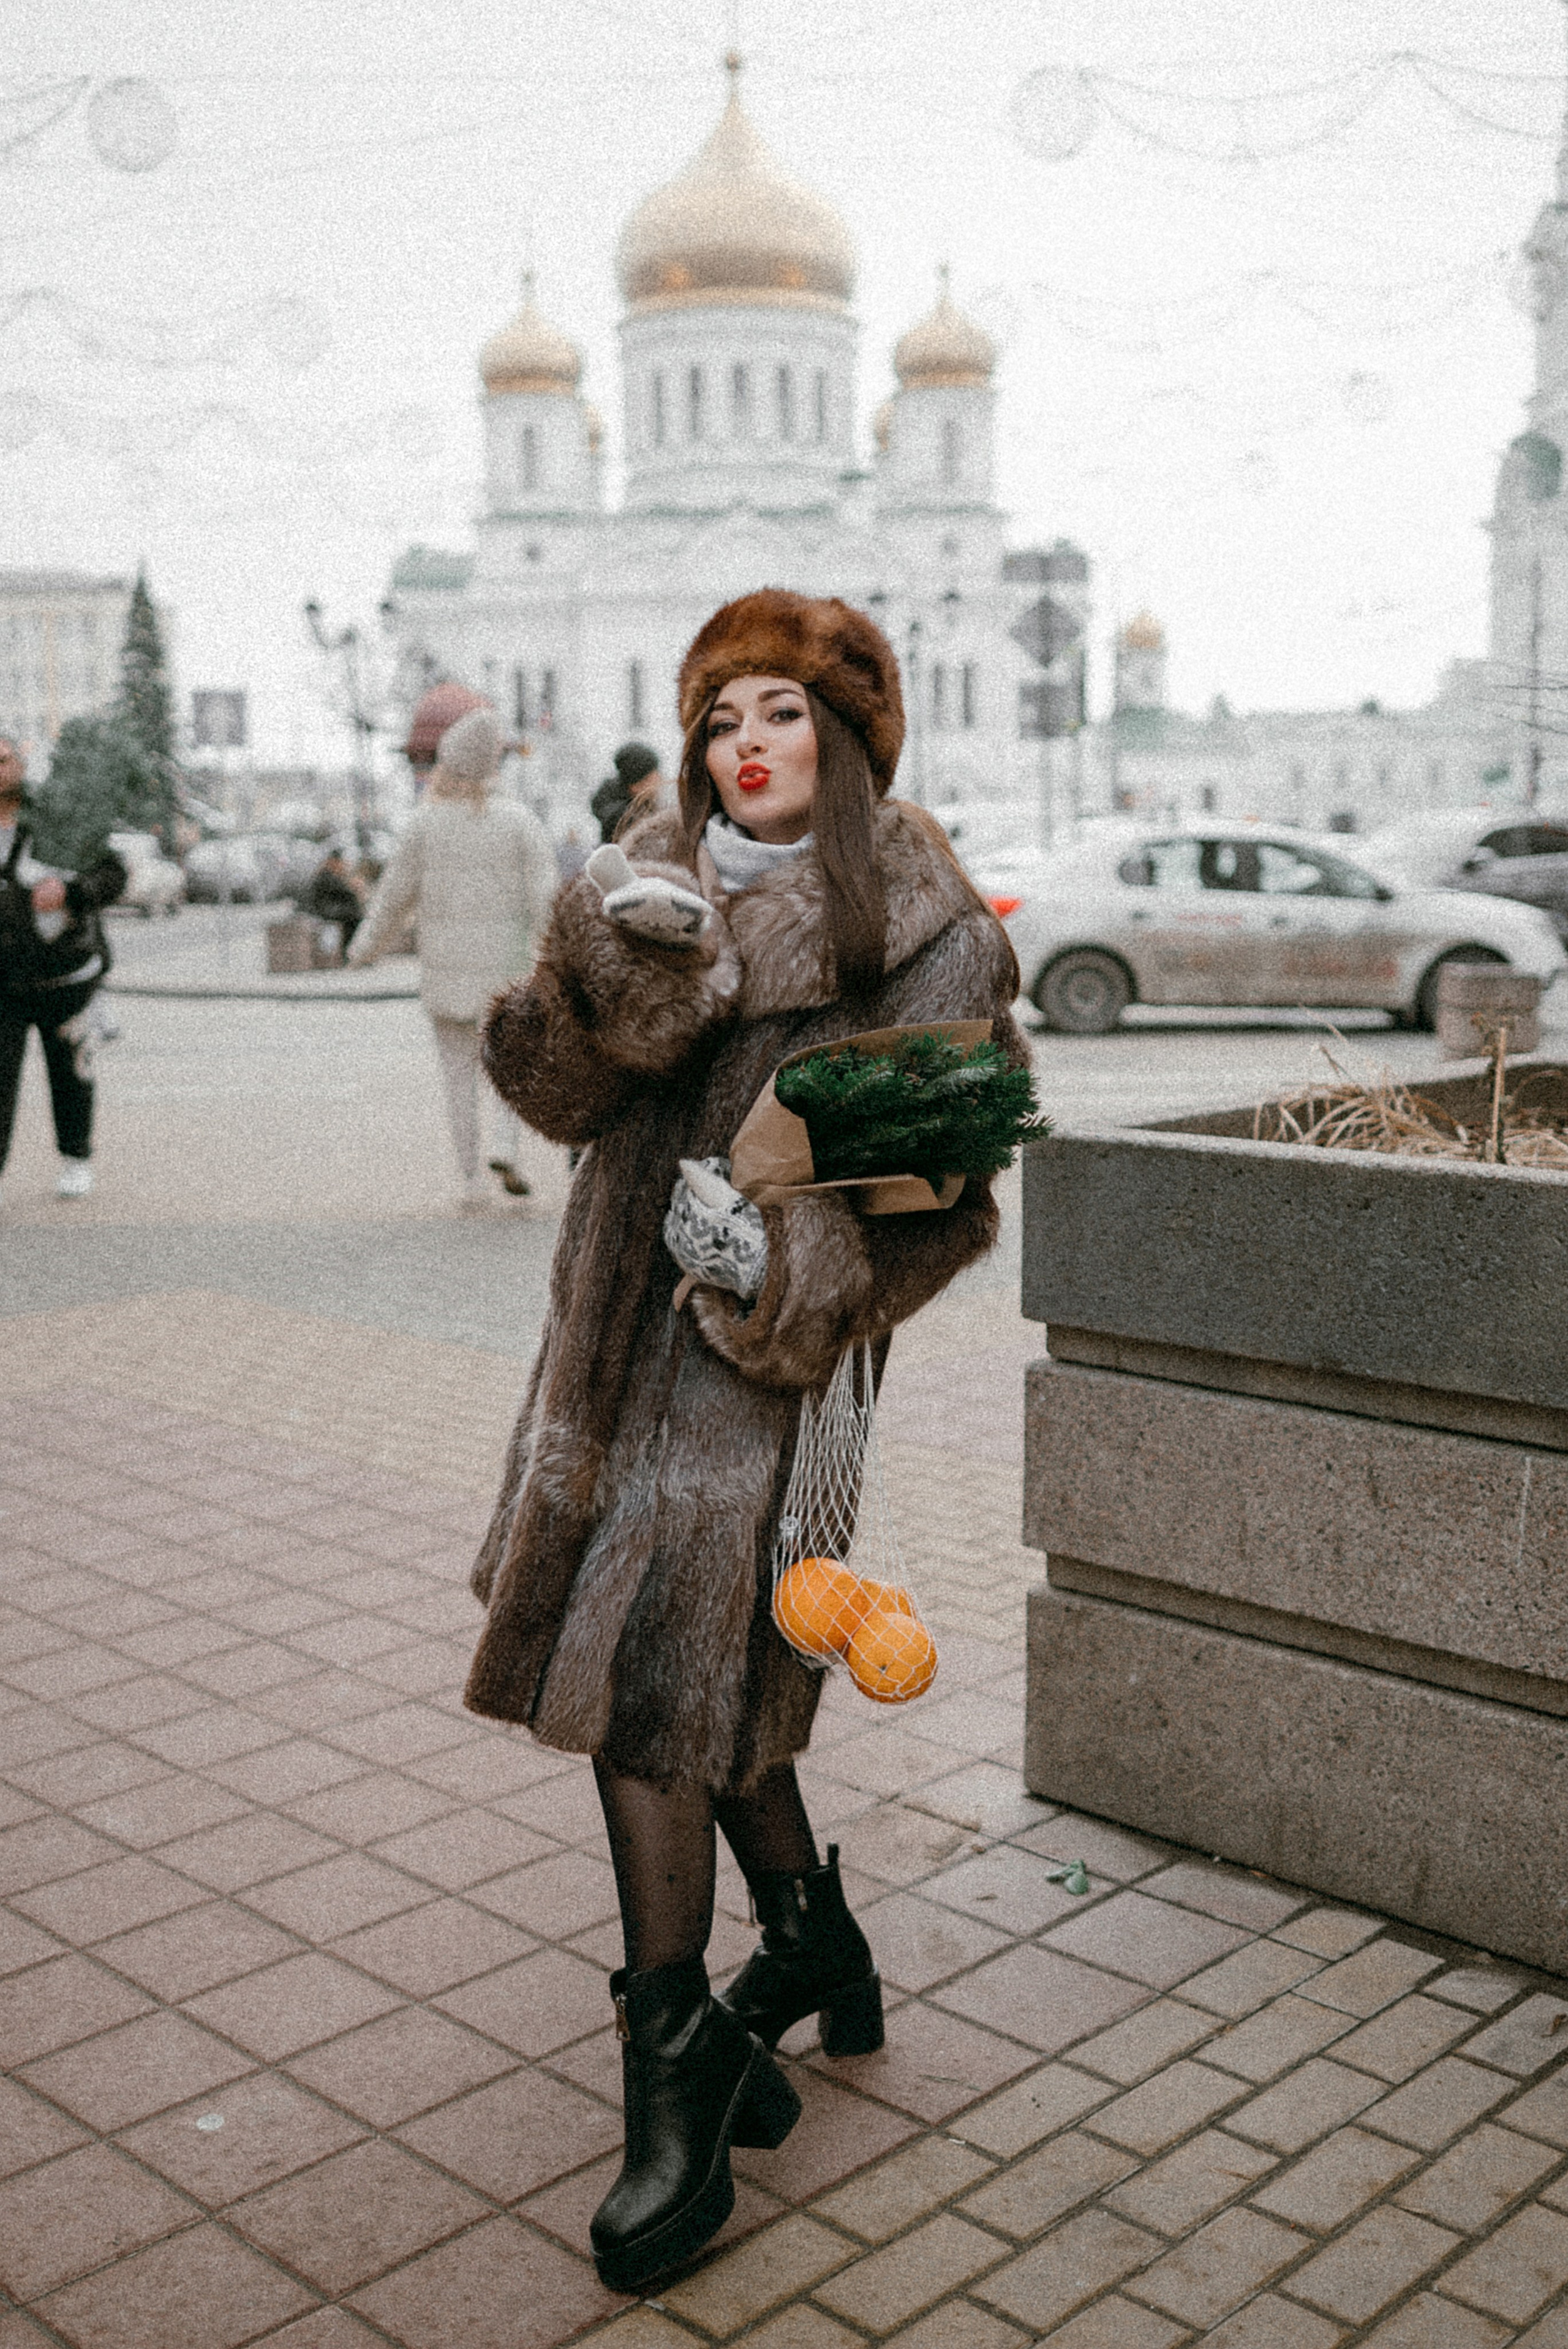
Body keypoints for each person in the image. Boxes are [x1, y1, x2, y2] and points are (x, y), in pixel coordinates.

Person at [467, 590, 1024, 2293]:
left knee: (652, 1693)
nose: (746, 746)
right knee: (714, 1699)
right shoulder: (654, 872)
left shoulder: (926, 924)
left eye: (782, 712)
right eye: (723, 718)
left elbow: (938, 1203)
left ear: (846, 740)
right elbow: (552, 1093)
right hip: (603, 1352)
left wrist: (769, 1258)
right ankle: (814, 1944)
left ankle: (682, 2067)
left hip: (761, 1370)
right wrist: (625, 967)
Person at [350, 706, 556, 1208]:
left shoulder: (425, 824)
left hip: (445, 978)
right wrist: (549, 957)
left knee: (458, 1077)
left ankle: (469, 1180)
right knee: (510, 1068)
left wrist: (365, 949)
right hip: (507, 975)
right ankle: (506, 1148)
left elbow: (394, 896)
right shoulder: (520, 823)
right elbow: (545, 897)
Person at [0, 739, 126, 1202]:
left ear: (21, 764)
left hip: (63, 976)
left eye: (3, 760)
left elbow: (113, 874)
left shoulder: (59, 819)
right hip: (3, 981)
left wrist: (71, 892)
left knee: (70, 1074)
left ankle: (76, 1158)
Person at [296, 846, 365, 959]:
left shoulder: (330, 875)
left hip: (329, 908)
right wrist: (351, 883)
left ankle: (350, 950)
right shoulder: (326, 876)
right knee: (353, 917)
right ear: (333, 862)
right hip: (325, 910)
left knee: (354, 914)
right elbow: (347, 893)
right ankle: (348, 951)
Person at [590, 739, 665, 842]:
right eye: (653, 778)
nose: (661, 781)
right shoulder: (622, 818)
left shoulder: (652, 804)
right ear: (636, 787)